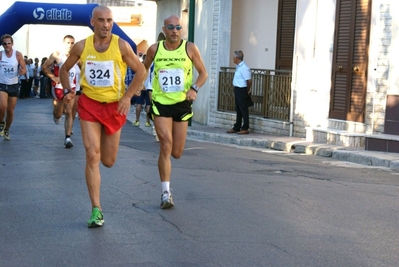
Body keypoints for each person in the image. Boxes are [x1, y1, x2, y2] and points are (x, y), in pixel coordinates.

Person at [60, 6, 146, 228]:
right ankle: (96, 209)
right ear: (92, 22)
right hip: (89, 104)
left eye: (109, 20)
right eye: (101, 20)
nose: (106, 24)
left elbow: (141, 71)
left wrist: (127, 97)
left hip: (114, 108)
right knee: (92, 155)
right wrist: (69, 91)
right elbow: (64, 69)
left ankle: (97, 204)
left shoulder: (121, 45)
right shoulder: (82, 46)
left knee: (108, 161)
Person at [143, 15, 208, 209]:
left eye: (178, 27)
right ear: (164, 29)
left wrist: (194, 88)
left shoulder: (190, 48)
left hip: (182, 103)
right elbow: (143, 69)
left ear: (182, 30)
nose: (174, 31)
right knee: (165, 144)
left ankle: (167, 180)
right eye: (170, 27)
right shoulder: (155, 49)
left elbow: (203, 73)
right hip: (161, 103)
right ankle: (165, 193)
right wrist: (138, 86)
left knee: (177, 152)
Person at [42, 35, 80, 148]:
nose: (70, 45)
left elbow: (84, 69)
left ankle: (67, 138)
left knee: (69, 111)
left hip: (71, 87)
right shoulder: (57, 55)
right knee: (59, 113)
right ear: (64, 43)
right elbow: (44, 67)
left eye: (72, 43)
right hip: (59, 87)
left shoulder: (77, 56)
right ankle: (56, 115)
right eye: (68, 43)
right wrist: (53, 77)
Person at [0, 34, 27, 140]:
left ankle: (6, 129)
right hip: (2, 83)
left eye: (9, 43)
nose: (7, 45)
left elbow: (24, 68)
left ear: (12, 44)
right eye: (4, 43)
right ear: (2, 45)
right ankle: (1, 122)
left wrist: (22, 71)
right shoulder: (1, 55)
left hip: (14, 84)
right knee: (2, 106)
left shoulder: (18, 55)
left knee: (10, 110)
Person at [226, 50, 252, 135]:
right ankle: (237, 127)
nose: (233, 59)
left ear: (237, 58)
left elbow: (249, 81)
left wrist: (247, 90)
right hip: (237, 89)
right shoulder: (238, 66)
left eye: (234, 57)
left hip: (242, 90)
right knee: (238, 109)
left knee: (244, 110)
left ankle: (245, 127)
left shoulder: (244, 67)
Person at [133, 55, 152, 128]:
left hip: (141, 87)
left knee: (139, 103)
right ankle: (147, 122)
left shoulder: (140, 66)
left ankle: (137, 120)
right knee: (148, 105)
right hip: (149, 87)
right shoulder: (151, 67)